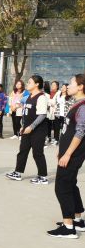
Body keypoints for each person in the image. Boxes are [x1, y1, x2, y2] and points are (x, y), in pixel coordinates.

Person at [47, 74, 85, 238]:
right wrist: (61, 149)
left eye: (71, 83)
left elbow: (80, 132)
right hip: (67, 151)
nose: (68, 86)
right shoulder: (75, 103)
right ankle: (77, 220)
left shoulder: (83, 106)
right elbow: (68, 130)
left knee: (62, 187)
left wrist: (68, 153)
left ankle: (68, 227)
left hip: (73, 154)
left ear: (81, 86)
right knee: (71, 184)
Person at [6, 75, 49, 184]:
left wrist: (31, 126)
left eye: (29, 82)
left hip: (38, 130)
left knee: (37, 153)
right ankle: (17, 172)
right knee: (23, 151)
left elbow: (42, 115)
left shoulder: (41, 97)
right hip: (27, 129)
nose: (27, 84)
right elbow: (26, 113)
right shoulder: (29, 96)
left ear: (37, 84)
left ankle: (42, 176)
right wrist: (24, 126)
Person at [46, 81, 59, 146]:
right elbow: (47, 101)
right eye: (52, 85)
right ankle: (49, 137)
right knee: (48, 125)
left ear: (57, 86)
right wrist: (50, 103)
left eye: (54, 85)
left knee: (56, 126)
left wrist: (50, 103)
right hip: (49, 111)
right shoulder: (49, 93)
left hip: (55, 111)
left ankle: (56, 139)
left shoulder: (59, 93)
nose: (52, 86)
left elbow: (55, 102)